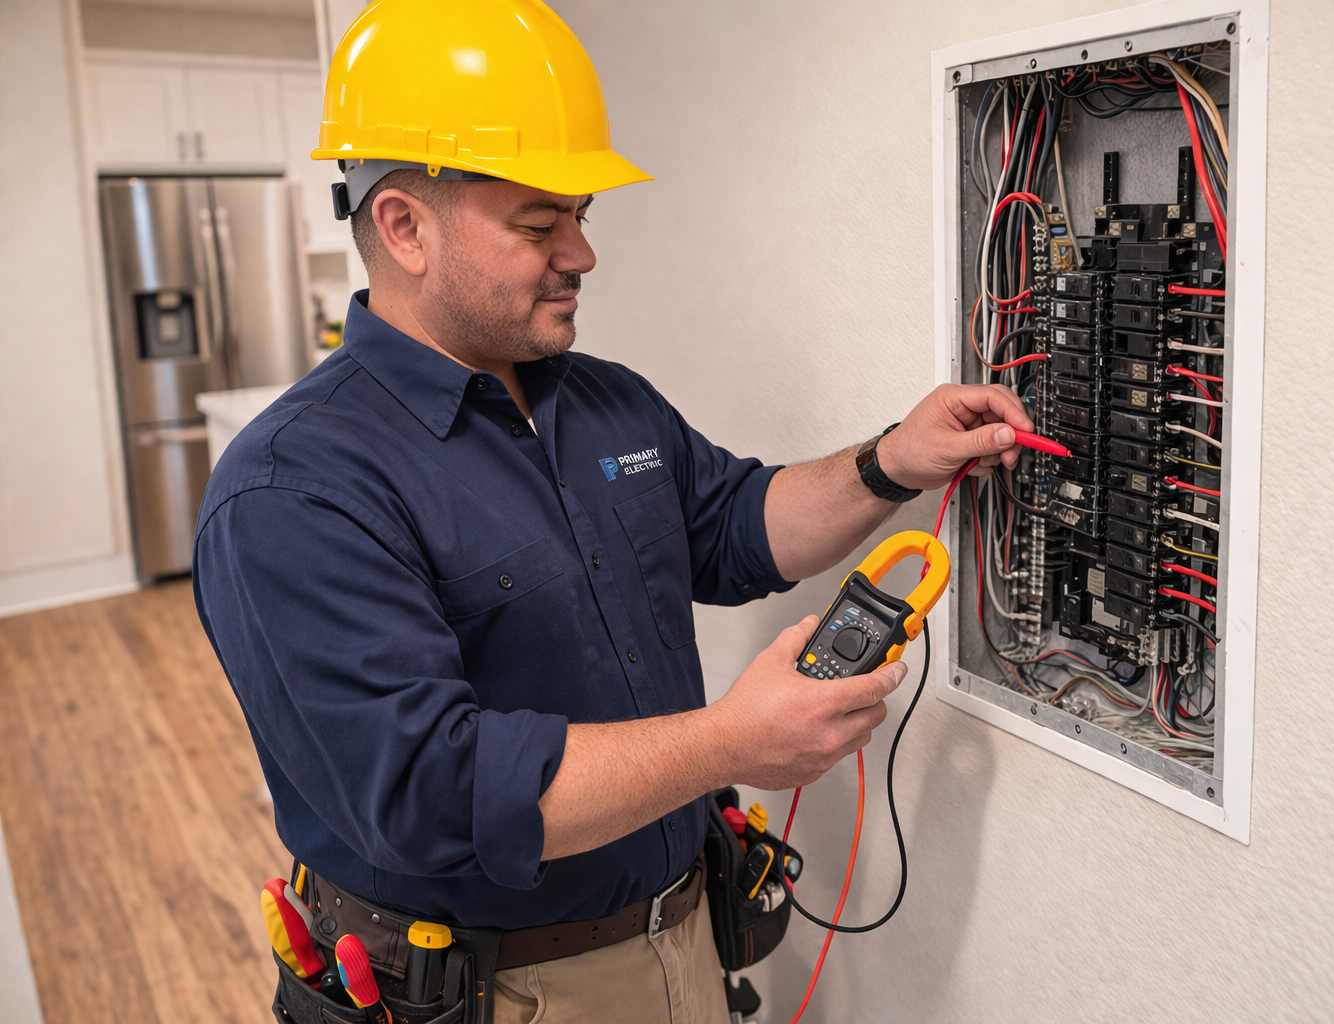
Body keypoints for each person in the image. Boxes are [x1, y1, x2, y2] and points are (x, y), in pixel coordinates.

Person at [192, 2, 1032, 1022]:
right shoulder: (293, 489)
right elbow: (436, 789)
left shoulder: (600, 400)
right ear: (403, 227)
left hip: (681, 937)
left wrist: (891, 458)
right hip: (494, 989)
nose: (581, 254)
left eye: (581, 216)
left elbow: (734, 525)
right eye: (540, 224)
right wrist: (730, 740)